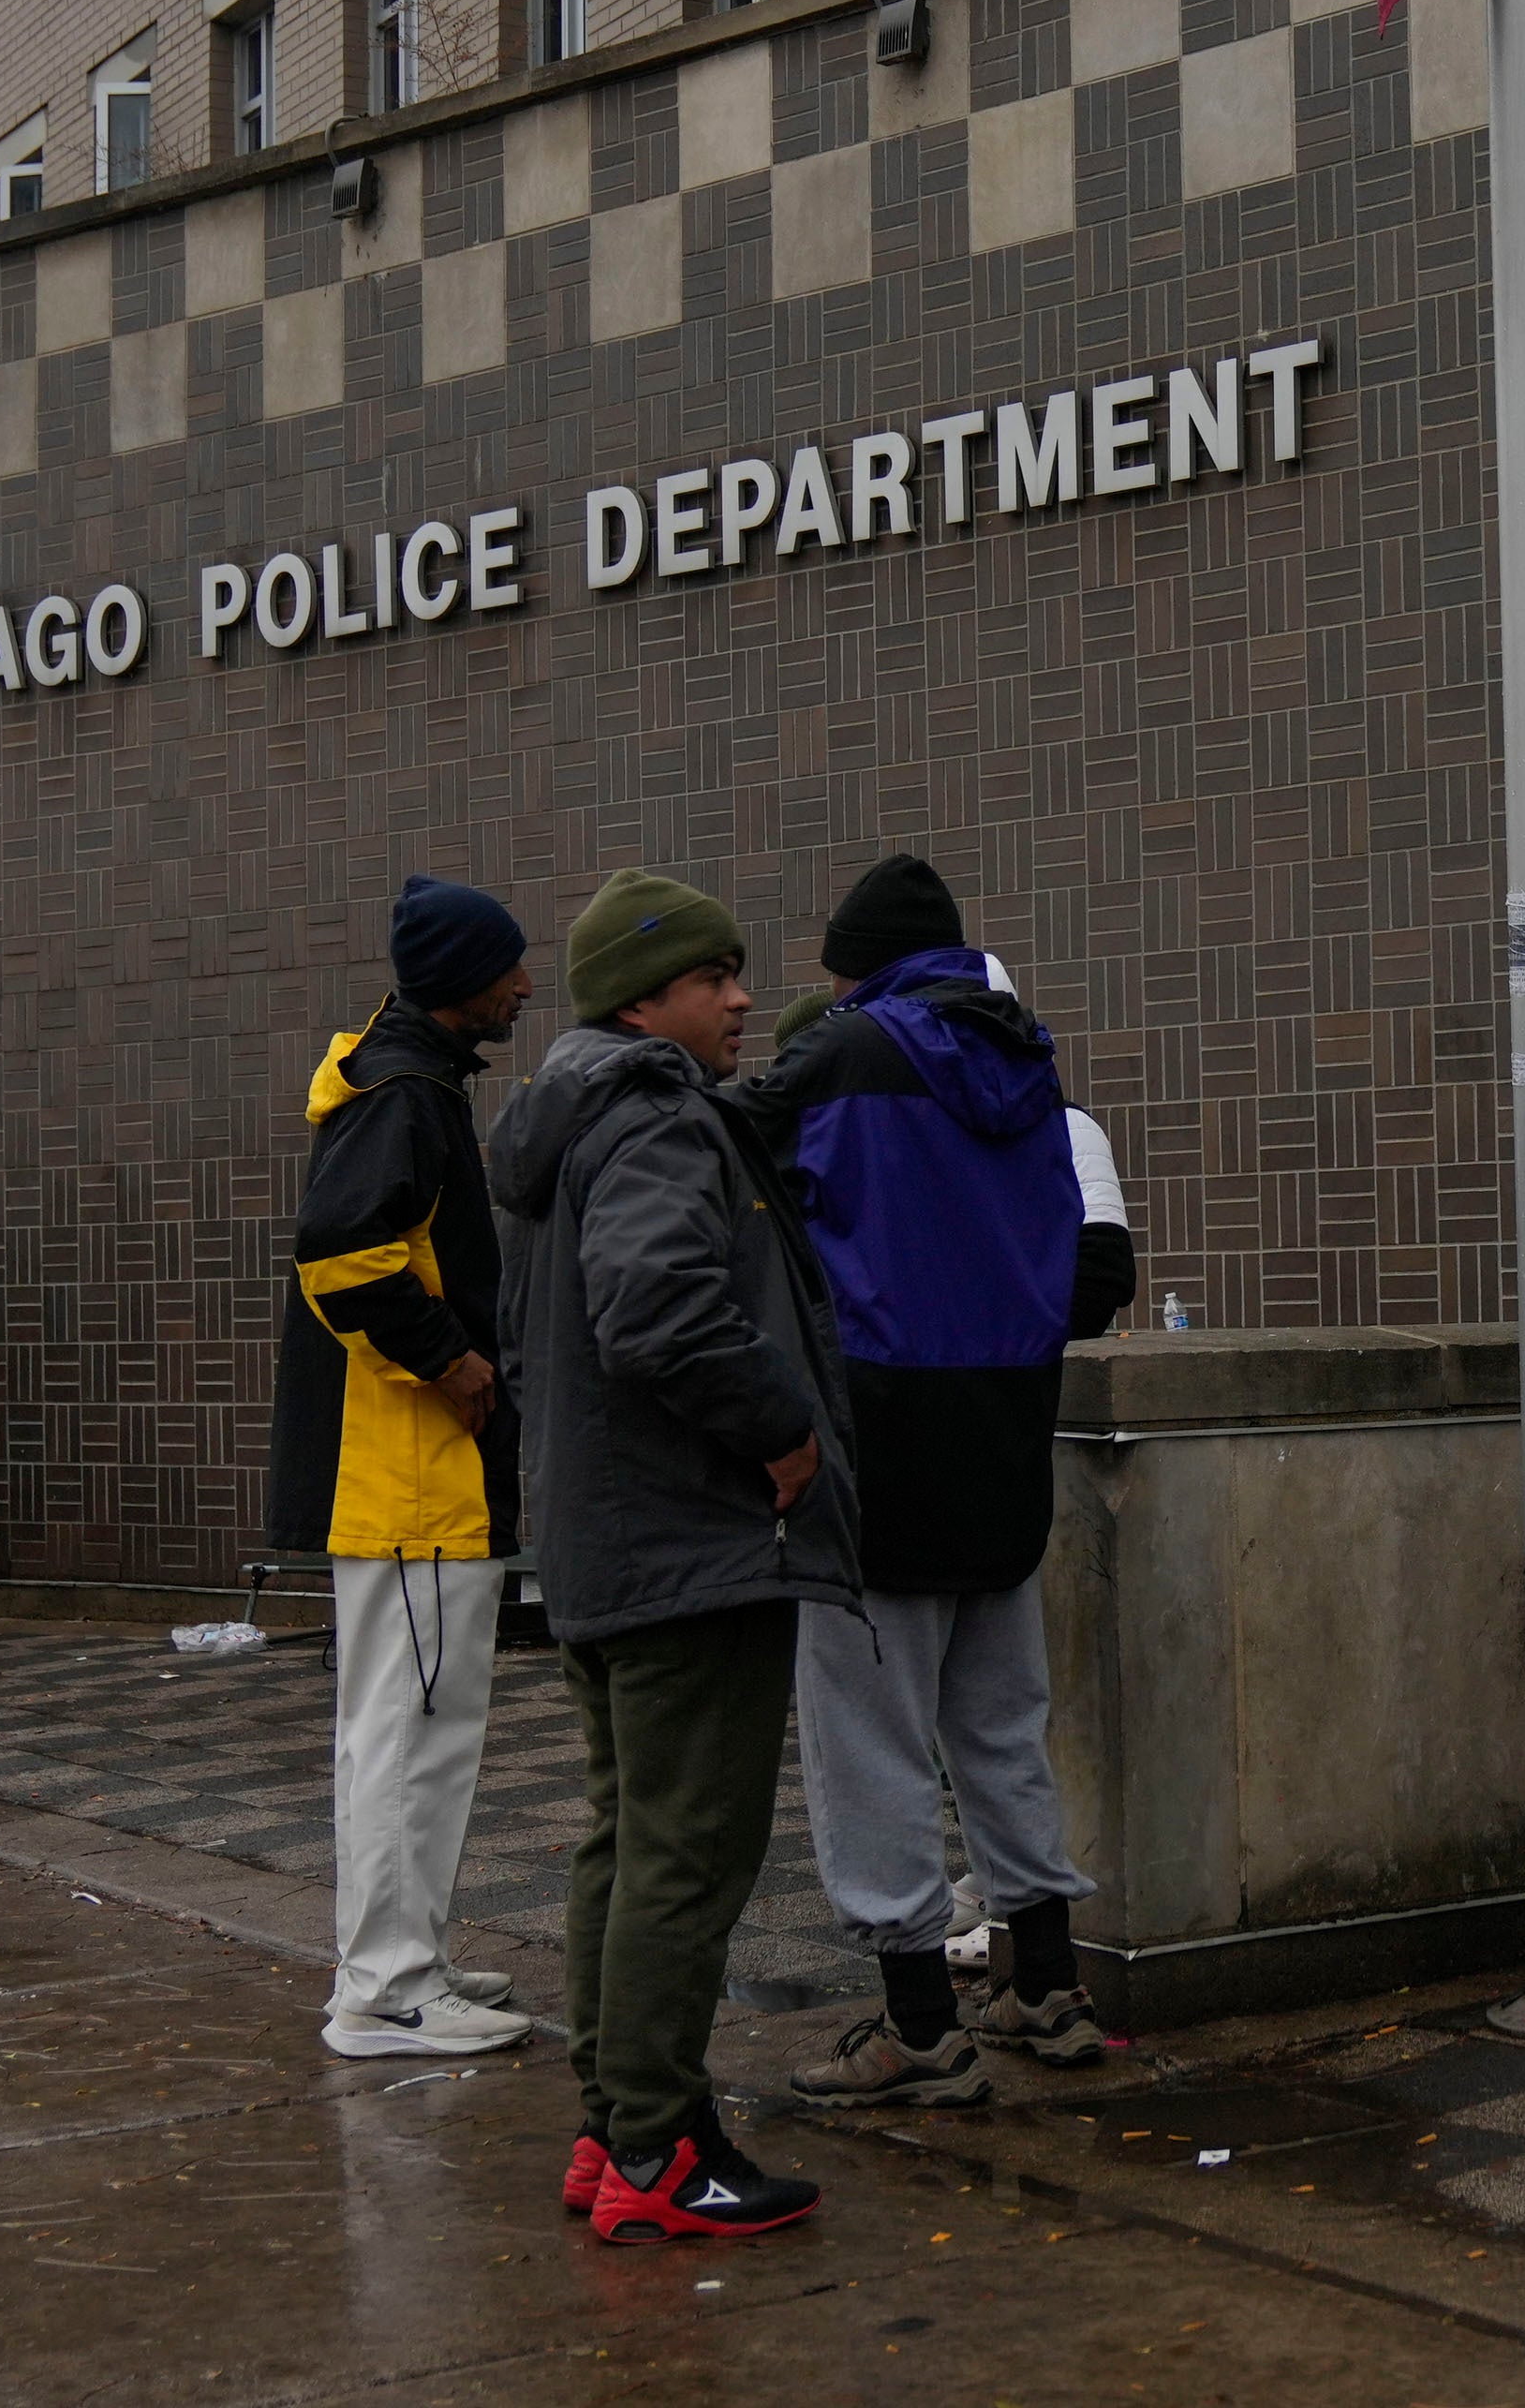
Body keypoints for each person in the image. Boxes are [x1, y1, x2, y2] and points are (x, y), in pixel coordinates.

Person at [487, 868, 863, 2244]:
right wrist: (781, 1429)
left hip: (603, 1540)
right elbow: (657, 1306)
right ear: (644, 1000)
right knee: (688, 1856)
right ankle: (657, 2149)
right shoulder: (650, 1117)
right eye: (715, 977)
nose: (743, 998)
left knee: (629, 1841)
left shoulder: (575, 1118)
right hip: (688, 1538)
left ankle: (618, 2125)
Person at [740, 855, 1132, 2106]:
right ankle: (1047, 1986)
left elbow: (724, 1151)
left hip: (876, 1442)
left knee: (869, 1743)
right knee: (1002, 1731)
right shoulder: (1028, 1064)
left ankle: (918, 2022)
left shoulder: (849, 1052)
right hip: (1005, 1439)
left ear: (860, 969)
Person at [270, 875, 539, 2061]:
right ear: (461, 981)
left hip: (401, 1469)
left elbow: (348, 1251)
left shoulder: (399, 1081)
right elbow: (342, 1256)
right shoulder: (407, 1093)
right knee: (411, 1731)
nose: (523, 985)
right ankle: (388, 1987)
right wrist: (453, 1359)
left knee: (402, 1728)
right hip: (411, 1471)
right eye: (507, 967)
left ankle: (403, 1956)